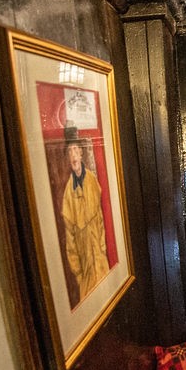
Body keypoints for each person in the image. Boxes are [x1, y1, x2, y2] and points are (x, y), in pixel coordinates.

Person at [60, 127, 110, 301]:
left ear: (81, 153)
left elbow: (100, 220)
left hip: (100, 259)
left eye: (75, 150)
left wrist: (102, 249)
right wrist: (79, 273)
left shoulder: (91, 181)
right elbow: (70, 240)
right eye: (69, 152)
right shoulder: (68, 193)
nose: (73, 156)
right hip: (85, 267)